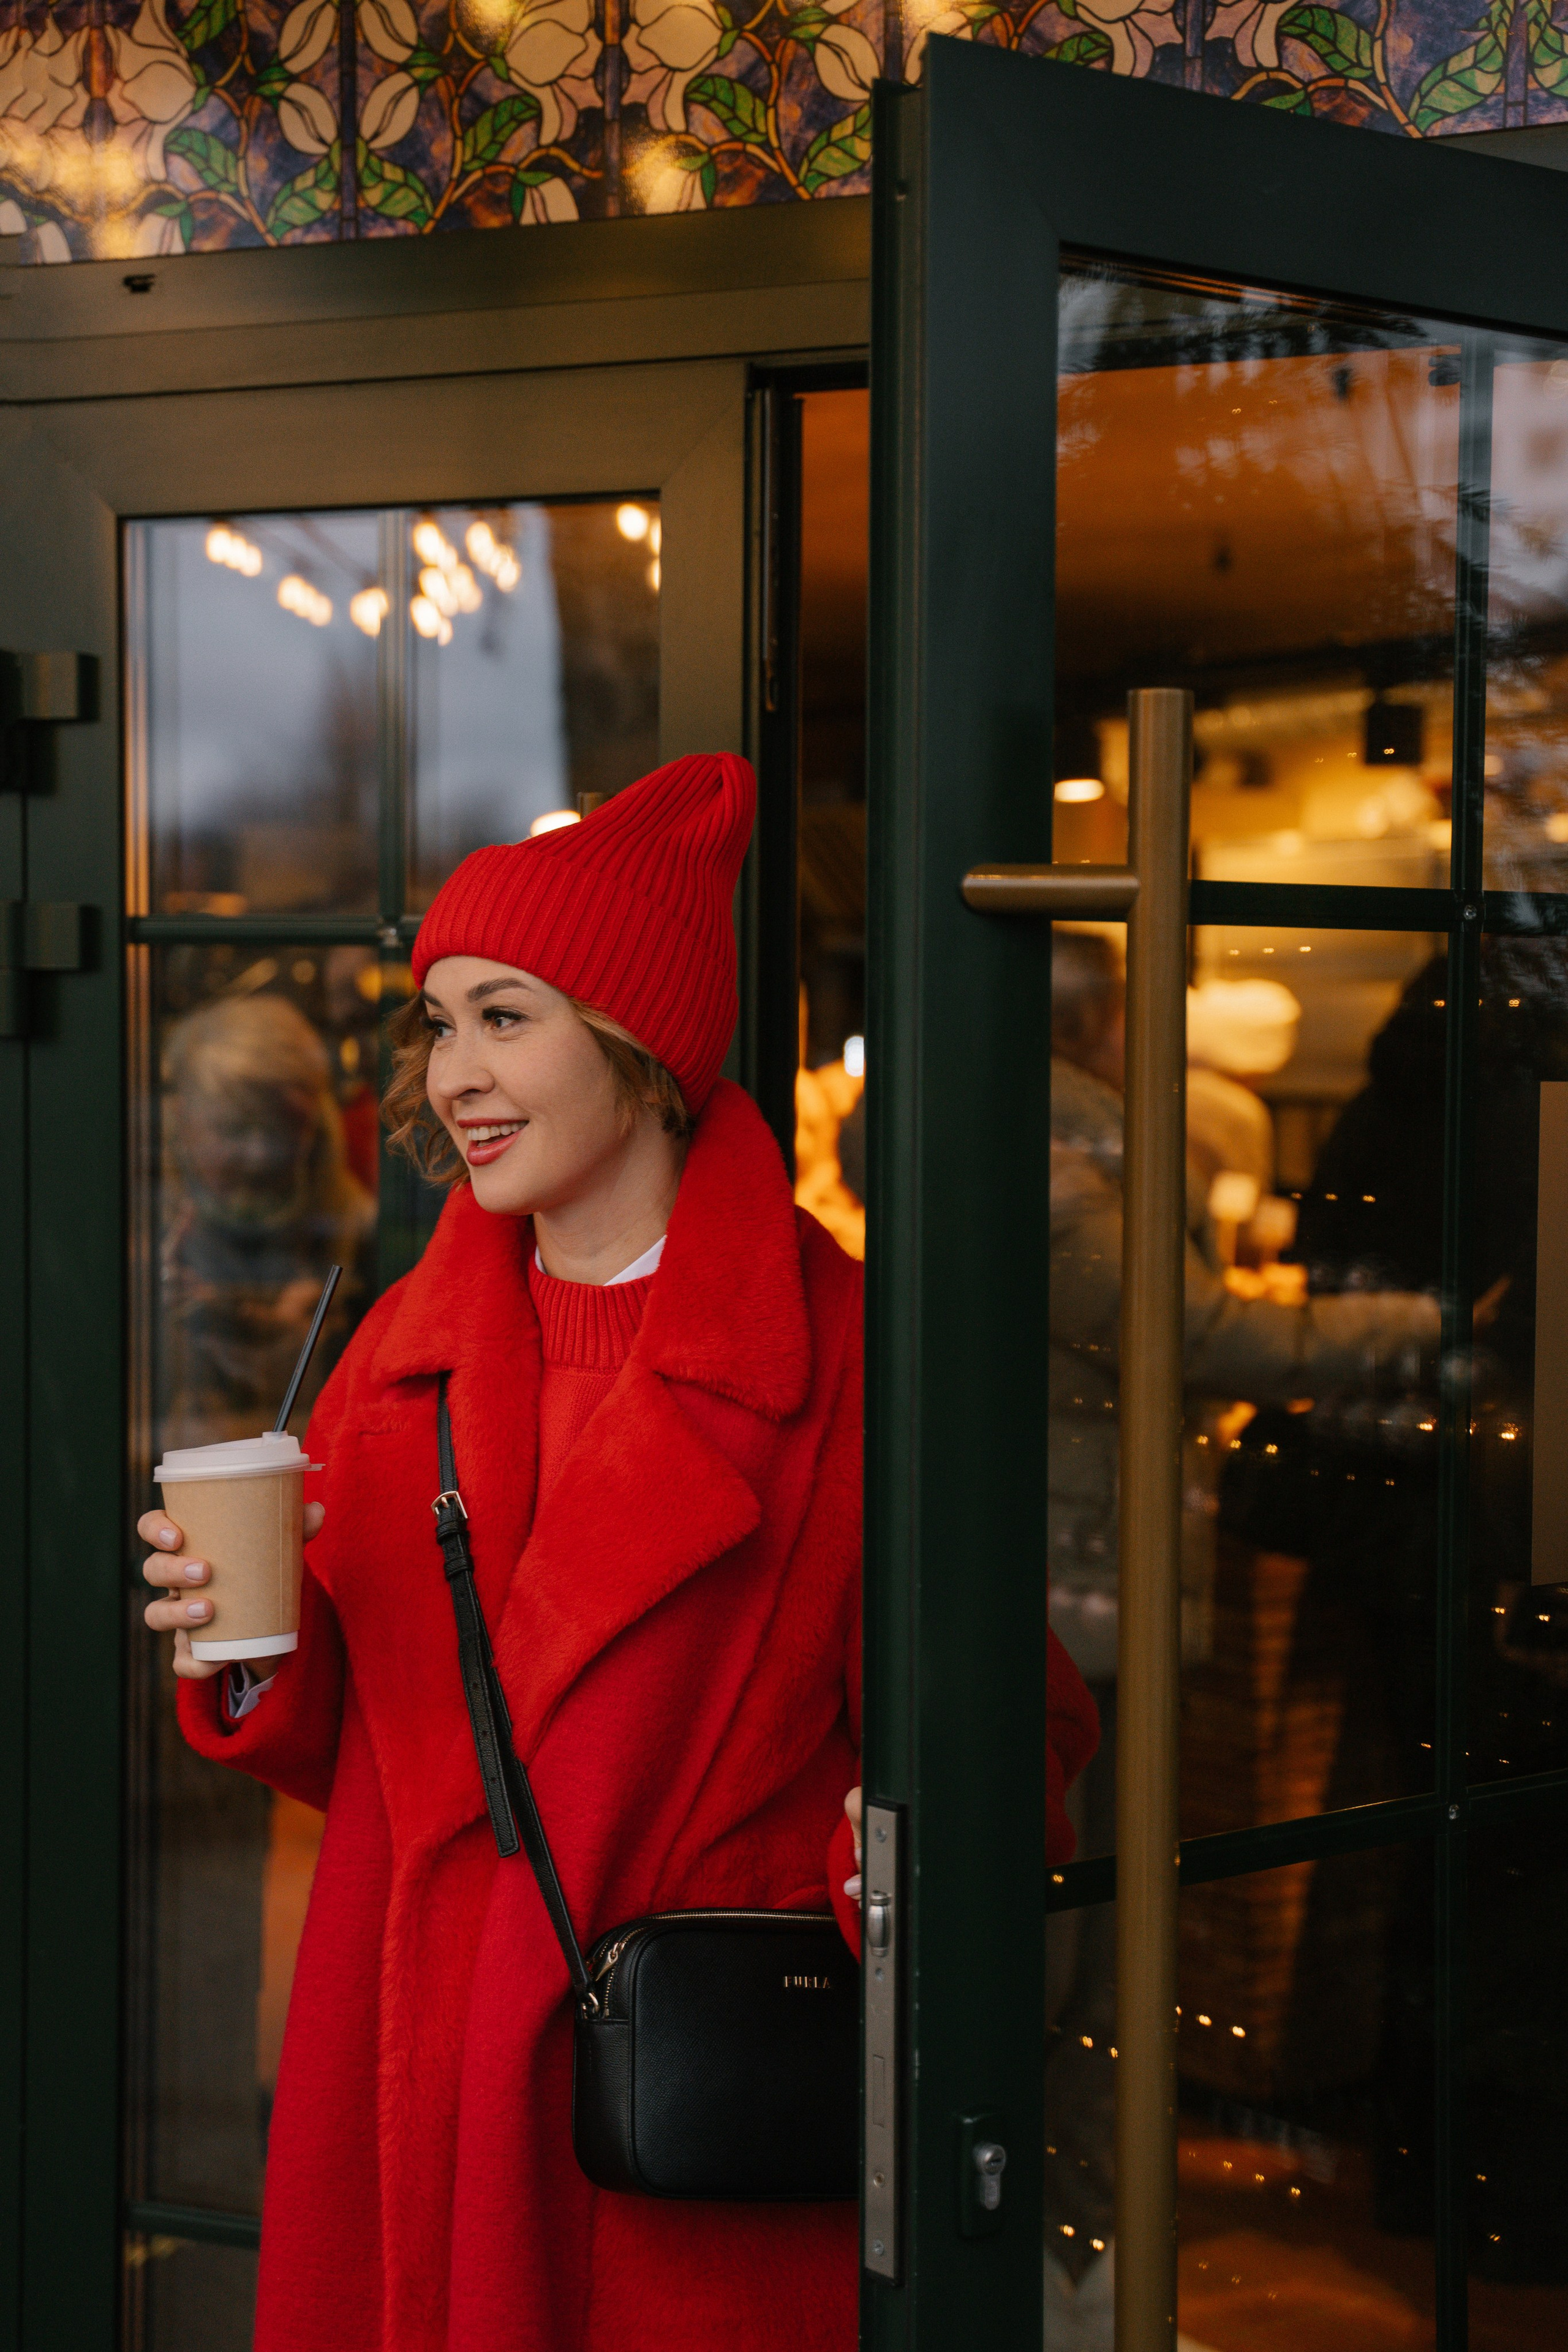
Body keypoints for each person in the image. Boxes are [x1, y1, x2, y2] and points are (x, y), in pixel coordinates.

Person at [140, 753, 1100, 2352]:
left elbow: (1019, 1731)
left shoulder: (843, 1359)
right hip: (408, 2075)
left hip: (660, 2111)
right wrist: (247, 1652)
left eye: (506, 1016)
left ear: (645, 1049)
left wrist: (888, 1843)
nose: (454, 1073)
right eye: (439, 1021)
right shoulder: (403, 1349)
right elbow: (392, 1755)